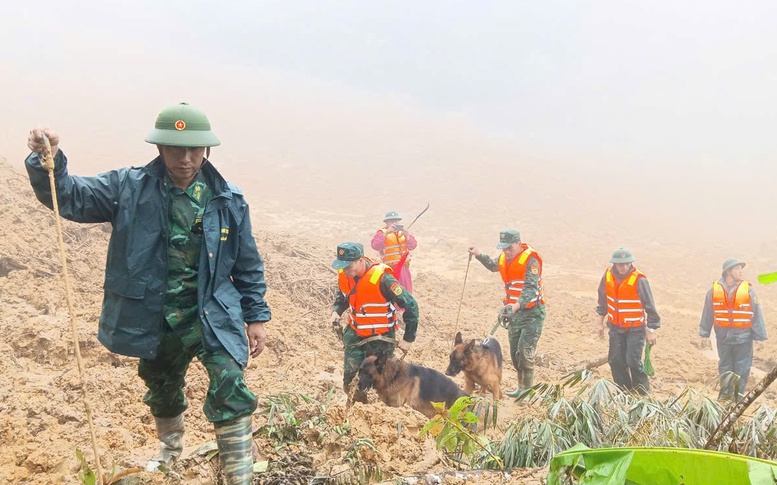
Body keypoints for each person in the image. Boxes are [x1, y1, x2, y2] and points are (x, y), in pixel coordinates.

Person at [25, 102, 270, 485]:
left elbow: (247, 263)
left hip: (211, 314)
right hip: (153, 316)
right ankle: (170, 453)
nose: (186, 159)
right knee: (161, 387)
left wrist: (255, 317)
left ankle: (239, 475)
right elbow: (71, 196)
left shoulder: (228, 200)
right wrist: (49, 161)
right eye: (176, 149)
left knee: (229, 382)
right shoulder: (128, 186)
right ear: (159, 148)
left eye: (194, 150)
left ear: (207, 150)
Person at [330, 242, 419, 402]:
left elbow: (410, 304)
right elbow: (343, 296)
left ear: (360, 260)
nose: (345, 270)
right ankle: (359, 411)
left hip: (381, 338)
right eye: (343, 266)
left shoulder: (383, 278)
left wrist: (408, 338)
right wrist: (337, 311)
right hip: (356, 334)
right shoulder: (345, 276)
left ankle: (386, 412)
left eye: (349, 266)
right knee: (350, 382)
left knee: (386, 382)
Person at [468, 229, 546, 390]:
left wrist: (516, 306)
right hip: (514, 313)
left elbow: (530, 289)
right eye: (504, 248)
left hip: (532, 313)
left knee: (525, 353)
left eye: (510, 248)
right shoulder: (504, 258)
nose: (506, 251)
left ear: (518, 244)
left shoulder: (531, 260)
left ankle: (526, 392)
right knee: (515, 355)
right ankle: (520, 388)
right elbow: (492, 265)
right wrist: (478, 254)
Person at [699, 258, 767, 401]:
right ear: (728, 271)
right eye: (737, 268)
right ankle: (724, 398)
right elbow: (708, 313)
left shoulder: (749, 289)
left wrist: (760, 337)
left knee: (742, 369)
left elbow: (756, 314)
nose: (741, 271)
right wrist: (704, 334)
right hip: (723, 338)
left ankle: (737, 400)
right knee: (725, 367)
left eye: (741, 268)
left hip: (743, 338)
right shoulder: (713, 291)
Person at [595, 248, 659, 396]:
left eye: (626, 263)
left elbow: (650, 307)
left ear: (631, 263)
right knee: (615, 360)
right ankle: (623, 392)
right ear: (614, 264)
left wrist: (651, 330)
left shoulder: (639, 280)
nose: (623, 267)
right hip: (616, 327)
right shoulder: (608, 276)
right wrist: (599, 322)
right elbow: (602, 301)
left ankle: (642, 393)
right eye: (620, 264)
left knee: (632, 361)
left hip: (635, 328)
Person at [371, 211, 418, 293]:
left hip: (404, 268)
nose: (394, 223)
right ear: (386, 222)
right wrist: (386, 233)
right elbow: (375, 245)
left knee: (406, 291)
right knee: (393, 292)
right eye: (392, 221)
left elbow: (413, 246)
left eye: (396, 221)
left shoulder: (403, 233)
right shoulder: (381, 233)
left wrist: (407, 236)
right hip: (390, 269)